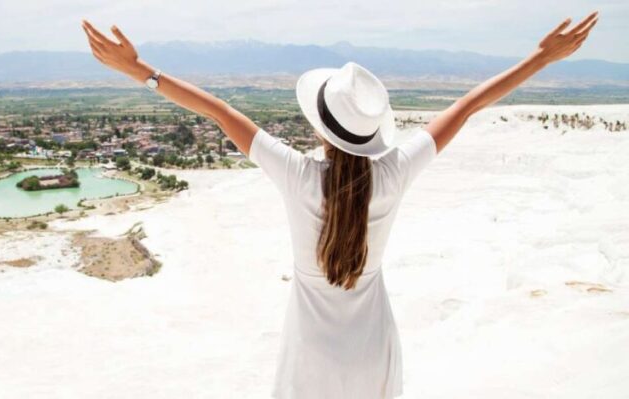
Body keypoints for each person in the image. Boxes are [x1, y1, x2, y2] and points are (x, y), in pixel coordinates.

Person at [82, 12, 598, 398]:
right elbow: (467, 106)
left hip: (310, 359)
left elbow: (218, 111)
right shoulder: (393, 173)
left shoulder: (298, 175)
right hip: (373, 349)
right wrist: (542, 59)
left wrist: (140, 71)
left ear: (321, 127)